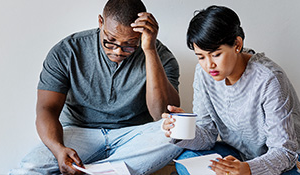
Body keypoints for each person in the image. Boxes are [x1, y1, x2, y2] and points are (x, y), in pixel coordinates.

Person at [9, 0, 183, 174]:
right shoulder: (68, 50)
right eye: (111, 41)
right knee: (30, 167)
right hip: (79, 132)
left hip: (132, 136)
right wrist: (58, 149)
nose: (118, 51)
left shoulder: (161, 56)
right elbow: (46, 109)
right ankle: (109, 170)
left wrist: (150, 50)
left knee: (177, 134)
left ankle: (96, 172)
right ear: (100, 22)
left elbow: (163, 114)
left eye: (129, 44)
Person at [162, 5, 300, 175]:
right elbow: (207, 135)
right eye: (201, 56)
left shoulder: (269, 79)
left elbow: (284, 151)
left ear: (237, 44)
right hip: (242, 155)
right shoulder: (204, 74)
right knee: (186, 160)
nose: (208, 64)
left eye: (216, 54)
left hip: (294, 158)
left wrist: (248, 169)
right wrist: (182, 132)